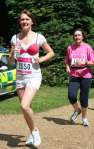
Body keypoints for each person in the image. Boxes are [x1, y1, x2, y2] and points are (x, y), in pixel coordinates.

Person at [9, 9, 55, 147]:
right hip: (20, 77)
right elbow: (11, 62)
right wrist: (13, 53)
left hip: (33, 76)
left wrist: (40, 59)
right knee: (26, 109)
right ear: (20, 22)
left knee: (24, 105)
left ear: (32, 21)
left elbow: (51, 52)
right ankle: (31, 134)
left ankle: (35, 132)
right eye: (22, 19)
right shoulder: (14, 38)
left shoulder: (38, 37)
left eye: (27, 19)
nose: (24, 21)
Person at [65, 28, 94, 126]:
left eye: (79, 35)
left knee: (84, 97)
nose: (77, 37)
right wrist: (67, 67)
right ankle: (77, 110)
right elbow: (67, 61)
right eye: (75, 35)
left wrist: (85, 62)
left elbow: (92, 62)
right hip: (74, 75)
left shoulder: (87, 47)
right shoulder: (70, 48)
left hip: (86, 75)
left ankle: (84, 118)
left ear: (82, 36)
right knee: (71, 95)